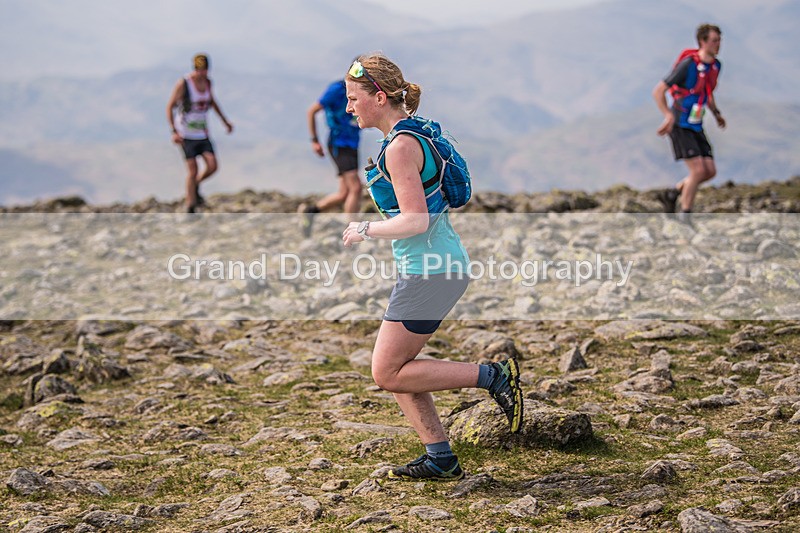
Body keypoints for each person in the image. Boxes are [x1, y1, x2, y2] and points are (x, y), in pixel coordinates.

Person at [341, 54, 524, 481]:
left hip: (432, 271)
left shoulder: (402, 147)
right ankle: (440, 456)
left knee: (386, 371)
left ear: (379, 97)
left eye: (354, 98)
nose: (349, 107)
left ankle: (493, 376)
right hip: (434, 267)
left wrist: (365, 228)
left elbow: (416, 219)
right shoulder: (407, 135)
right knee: (401, 368)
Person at [653, 24, 726, 225]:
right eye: (714, 40)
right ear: (702, 42)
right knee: (698, 171)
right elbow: (658, 90)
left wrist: (717, 114)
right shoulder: (688, 65)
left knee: (710, 171)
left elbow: (707, 93)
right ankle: (685, 215)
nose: (718, 44)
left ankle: (672, 193)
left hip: (696, 123)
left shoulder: (715, 66)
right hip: (679, 122)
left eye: (719, 40)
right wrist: (668, 115)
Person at [166, 53, 233, 213]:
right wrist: (174, 131)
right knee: (192, 169)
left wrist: (225, 121)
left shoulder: (208, 83)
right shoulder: (184, 84)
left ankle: (194, 186)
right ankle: (190, 205)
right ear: (194, 68)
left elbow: (212, 102)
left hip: (202, 133)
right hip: (186, 134)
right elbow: (170, 107)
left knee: (212, 165)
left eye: (204, 70)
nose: (202, 73)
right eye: (199, 69)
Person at [298, 78, 363, 237]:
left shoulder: (365, 91)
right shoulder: (338, 89)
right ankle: (352, 231)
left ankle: (311, 211)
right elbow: (312, 110)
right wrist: (314, 141)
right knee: (356, 187)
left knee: (344, 193)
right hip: (338, 142)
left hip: (352, 143)